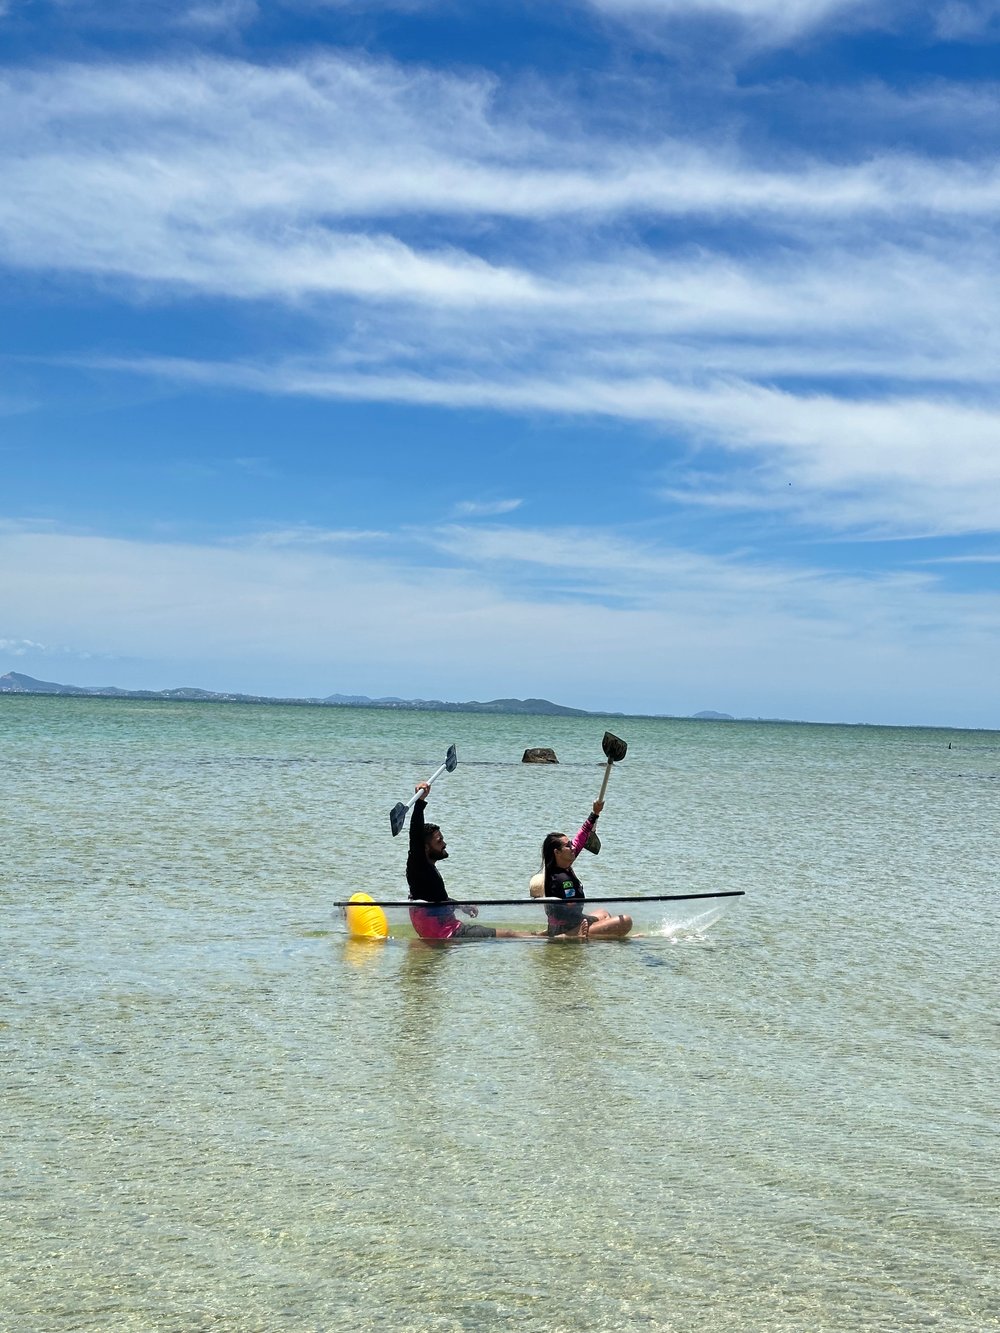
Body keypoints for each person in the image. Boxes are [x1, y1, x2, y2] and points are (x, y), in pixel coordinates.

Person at [406, 782, 536, 940]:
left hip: (442, 930)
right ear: (426, 848)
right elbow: (415, 838)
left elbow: (436, 899)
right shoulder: (420, 865)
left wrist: (461, 906)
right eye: (439, 841)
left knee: (510, 934)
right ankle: (550, 942)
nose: (445, 844)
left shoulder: (425, 872)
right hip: (449, 933)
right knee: (509, 934)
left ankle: (540, 937)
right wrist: (419, 803)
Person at [538, 799, 632, 940]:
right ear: (557, 852)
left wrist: (595, 813)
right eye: (568, 846)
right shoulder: (561, 879)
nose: (573, 847)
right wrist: (583, 923)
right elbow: (568, 913)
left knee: (604, 913)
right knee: (626, 921)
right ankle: (573, 936)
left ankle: (594, 935)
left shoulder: (562, 865)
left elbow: (580, 840)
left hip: (573, 921)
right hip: (568, 928)